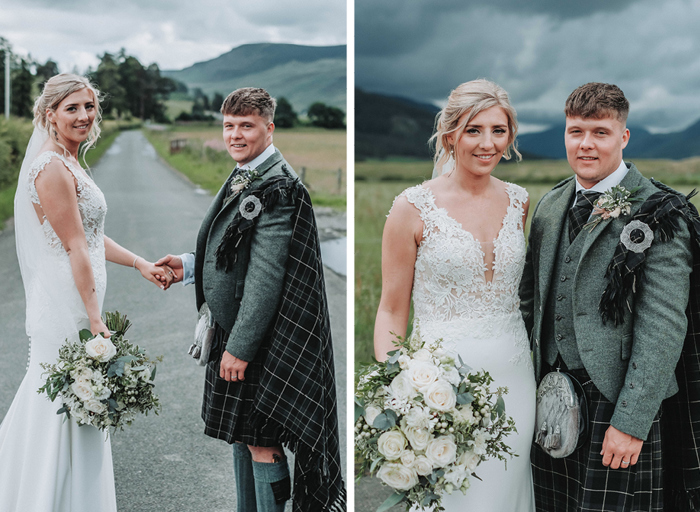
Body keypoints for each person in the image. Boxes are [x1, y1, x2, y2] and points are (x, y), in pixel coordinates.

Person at [156, 87, 344, 512]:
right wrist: (188, 265)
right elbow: (235, 252)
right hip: (235, 329)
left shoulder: (278, 187)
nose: (235, 135)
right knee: (243, 437)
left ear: (269, 128)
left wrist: (239, 348)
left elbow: (266, 276)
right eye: (229, 126)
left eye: (246, 126)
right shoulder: (247, 172)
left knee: (262, 442)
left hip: (257, 338)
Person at [0, 73, 172, 511]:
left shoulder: (70, 161)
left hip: (78, 295)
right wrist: (95, 319)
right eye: (71, 108)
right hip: (67, 302)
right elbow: (75, 245)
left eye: (89, 106)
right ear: (49, 115)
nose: (82, 115)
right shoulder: (51, 167)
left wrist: (139, 263)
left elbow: (91, 235)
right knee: (63, 395)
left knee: (76, 397)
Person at [521, 82, 693, 511]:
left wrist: (631, 423)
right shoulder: (550, 205)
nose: (586, 145)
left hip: (618, 402)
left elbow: (664, 324)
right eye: (576, 131)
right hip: (550, 401)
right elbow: (531, 303)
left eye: (600, 132)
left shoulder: (660, 212)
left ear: (623, 137)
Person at [374, 79, 536, 511]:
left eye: (498, 131)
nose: (488, 143)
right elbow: (391, 309)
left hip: (516, 380)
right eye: (473, 130)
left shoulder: (519, 201)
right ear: (450, 136)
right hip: (440, 384)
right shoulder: (411, 207)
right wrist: (398, 386)